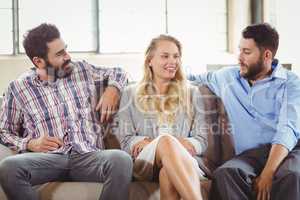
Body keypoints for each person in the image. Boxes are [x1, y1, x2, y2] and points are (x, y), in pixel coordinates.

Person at [0, 23, 133, 200]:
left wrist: (113, 90)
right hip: (47, 160)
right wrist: (30, 143)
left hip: (89, 156)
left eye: (66, 49)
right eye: (59, 54)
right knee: (8, 168)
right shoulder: (18, 88)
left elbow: (120, 73)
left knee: (121, 160)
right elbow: (4, 131)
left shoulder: (82, 70)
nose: (68, 56)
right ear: (38, 61)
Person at [189, 23, 300, 200]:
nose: (239, 58)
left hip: (288, 150)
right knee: (225, 174)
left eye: (246, 52)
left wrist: (268, 173)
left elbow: (288, 129)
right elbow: (190, 78)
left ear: (267, 55)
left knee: (291, 176)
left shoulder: (290, 83)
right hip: (250, 156)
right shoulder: (226, 77)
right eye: (239, 50)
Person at [114, 34, 207, 200]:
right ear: (150, 60)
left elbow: (202, 140)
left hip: (184, 159)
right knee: (166, 140)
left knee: (168, 172)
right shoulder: (130, 93)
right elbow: (125, 140)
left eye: (176, 56)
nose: (172, 61)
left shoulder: (192, 93)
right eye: (165, 56)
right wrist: (154, 144)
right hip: (146, 161)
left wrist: (175, 146)